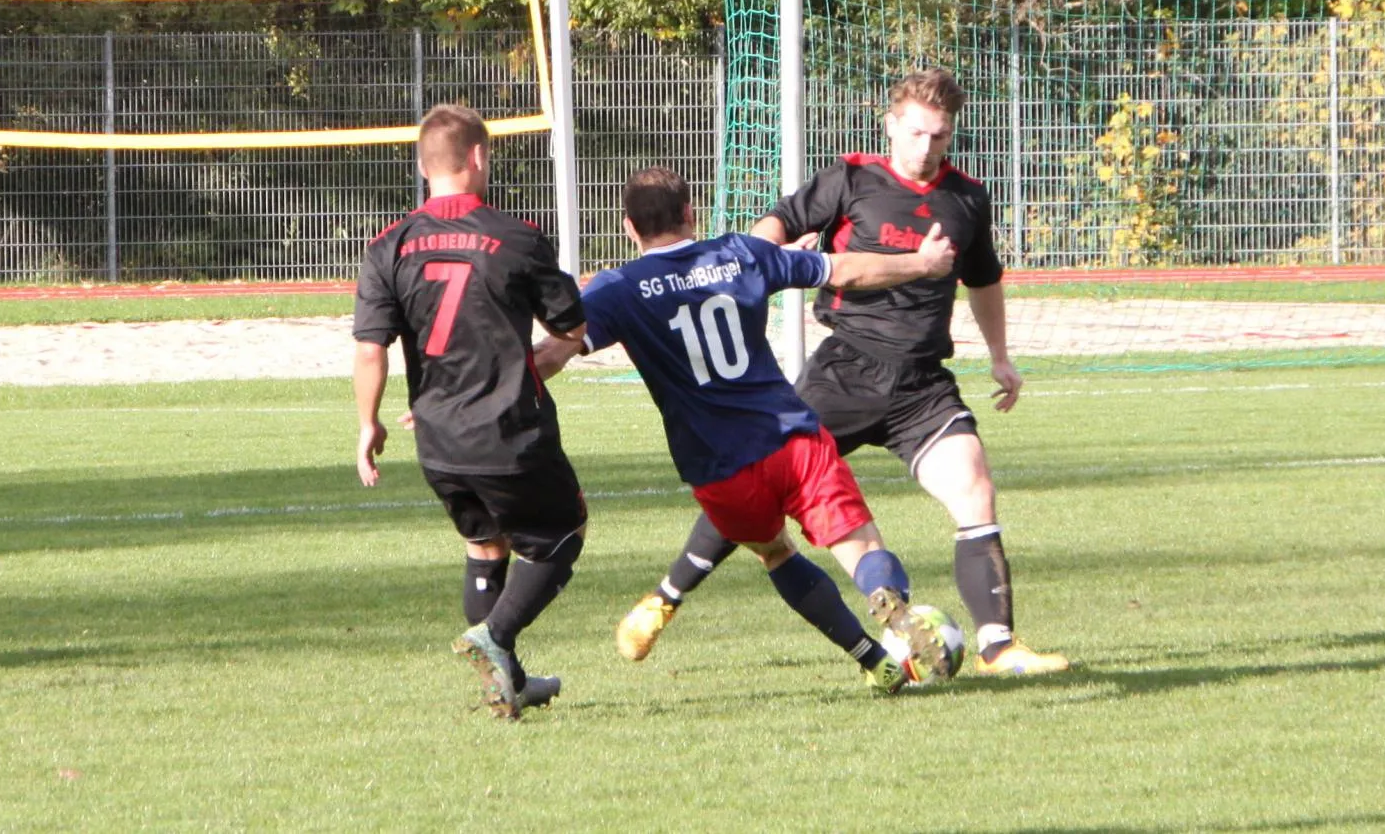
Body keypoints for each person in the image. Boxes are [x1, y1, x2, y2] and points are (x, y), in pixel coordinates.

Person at [622, 68, 1068, 677]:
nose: (927, 147)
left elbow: (983, 279)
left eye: (939, 136)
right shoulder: (851, 179)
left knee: (975, 488)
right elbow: (774, 225)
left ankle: (999, 648)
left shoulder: (967, 198)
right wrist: (765, 261)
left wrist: (999, 355)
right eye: (916, 133)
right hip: (846, 370)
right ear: (891, 126)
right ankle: (665, 597)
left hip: (921, 383)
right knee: (758, 478)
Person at [537, 167, 964, 693]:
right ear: (690, 213)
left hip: (719, 469)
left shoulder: (618, 289)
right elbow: (846, 270)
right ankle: (888, 600)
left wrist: (476, 383)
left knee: (777, 553)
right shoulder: (741, 253)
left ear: (628, 227)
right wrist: (921, 262)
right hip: (792, 441)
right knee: (860, 544)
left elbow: (552, 354)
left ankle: (875, 661)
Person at [353, 104, 589, 718]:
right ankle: (496, 636)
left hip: (438, 439)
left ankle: (509, 684)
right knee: (564, 533)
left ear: (423, 167)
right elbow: (570, 331)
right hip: (510, 432)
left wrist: (368, 423)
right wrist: (533, 366)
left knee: (486, 547)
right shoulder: (517, 236)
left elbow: (370, 350)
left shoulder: (387, 246)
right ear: (479, 156)